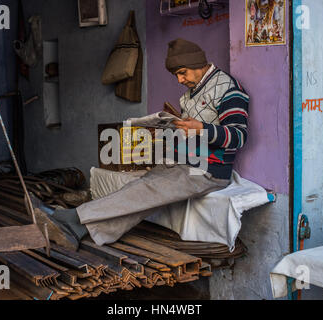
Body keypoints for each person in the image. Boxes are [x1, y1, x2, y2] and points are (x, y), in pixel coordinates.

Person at [31, 38, 249, 248]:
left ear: (198, 64)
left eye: (182, 73)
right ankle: (76, 231)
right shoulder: (190, 95)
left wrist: (202, 128)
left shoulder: (228, 89)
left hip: (208, 170)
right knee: (138, 191)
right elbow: (190, 136)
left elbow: (239, 136)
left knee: (146, 190)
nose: (180, 80)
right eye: (176, 75)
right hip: (185, 162)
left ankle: (70, 218)